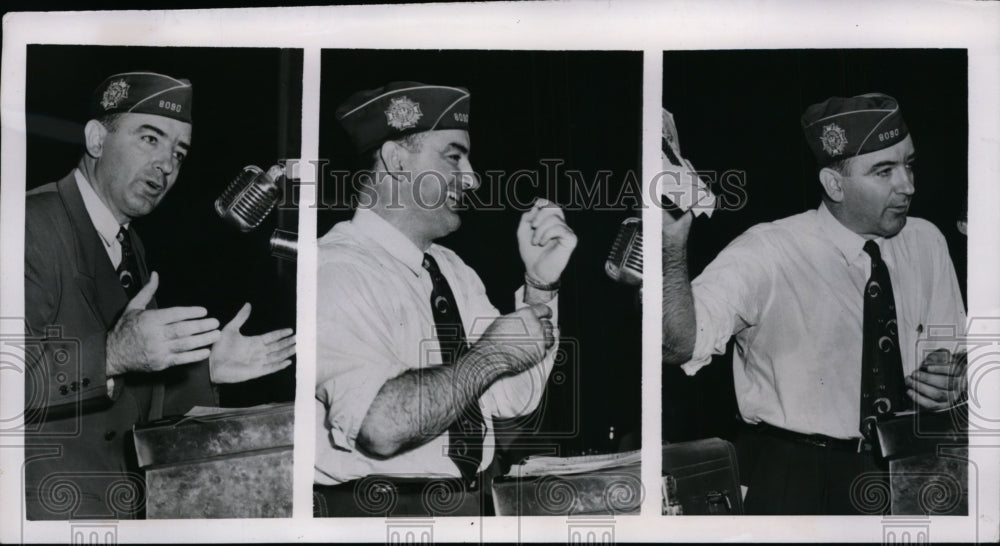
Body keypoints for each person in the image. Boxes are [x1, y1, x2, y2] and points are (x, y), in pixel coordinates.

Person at [662, 93, 967, 515]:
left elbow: (955, 357)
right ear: (833, 184)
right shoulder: (766, 251)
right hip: (793, 478)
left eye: (909, 164)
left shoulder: (927, 242)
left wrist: (954, 378)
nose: (908, 186)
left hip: (909, 471)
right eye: (884, 171)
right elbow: (677, 344)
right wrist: (670, 246)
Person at [24, 71, 296, 520]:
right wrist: (112, 353)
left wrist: (208, 372)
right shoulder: (29, 224)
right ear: (96, 139)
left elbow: (127, 400)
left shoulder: (130, 244)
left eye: (179, 152)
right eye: (150, 139)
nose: (167, 165)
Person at [314, 82, 577, 515]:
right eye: (454, 157)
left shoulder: (451, 269)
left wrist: (539, 287)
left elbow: (513, 397)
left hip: (463, 506)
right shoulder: (336, 270)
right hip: (372, 514)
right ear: (397, 161)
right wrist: (487, 356)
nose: (472, 178)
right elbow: (380, 425)